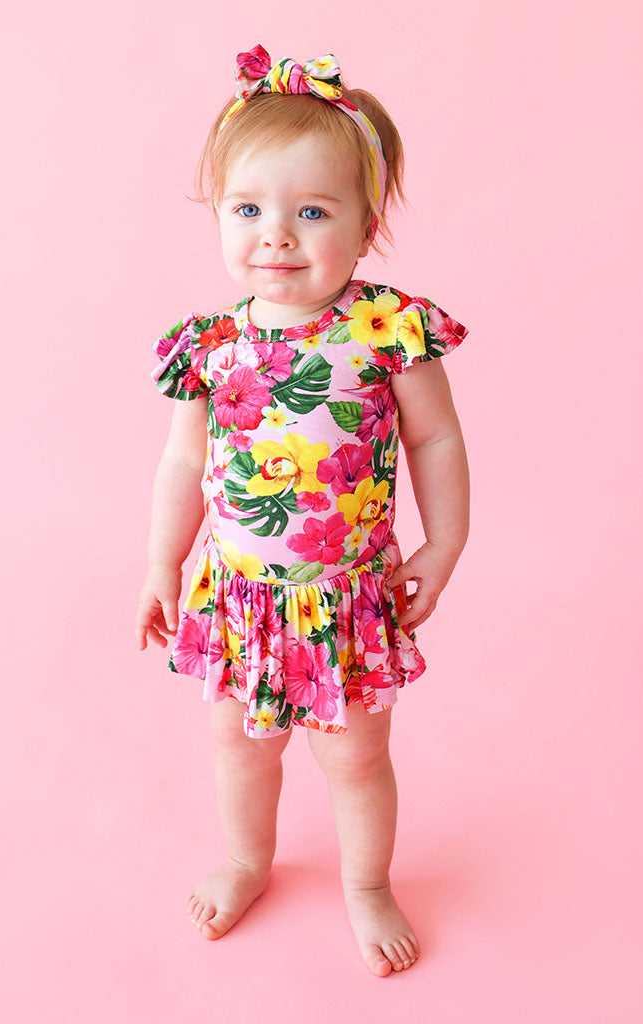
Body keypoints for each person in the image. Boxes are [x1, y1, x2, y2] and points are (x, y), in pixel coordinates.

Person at [135, 44, 470, 977]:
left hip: (344, 601)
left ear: (367, 226)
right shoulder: (210, 345)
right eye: (248, 210)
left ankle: (366, 883)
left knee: (355, 757)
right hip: (241, 599)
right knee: (240, 748)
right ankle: (249, 860)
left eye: (312, 212)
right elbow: (183, 460)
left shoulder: (386, 331)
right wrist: (162, 562)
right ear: (218, 214)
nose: (275, 236)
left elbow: (436, 441)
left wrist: (444, 542)